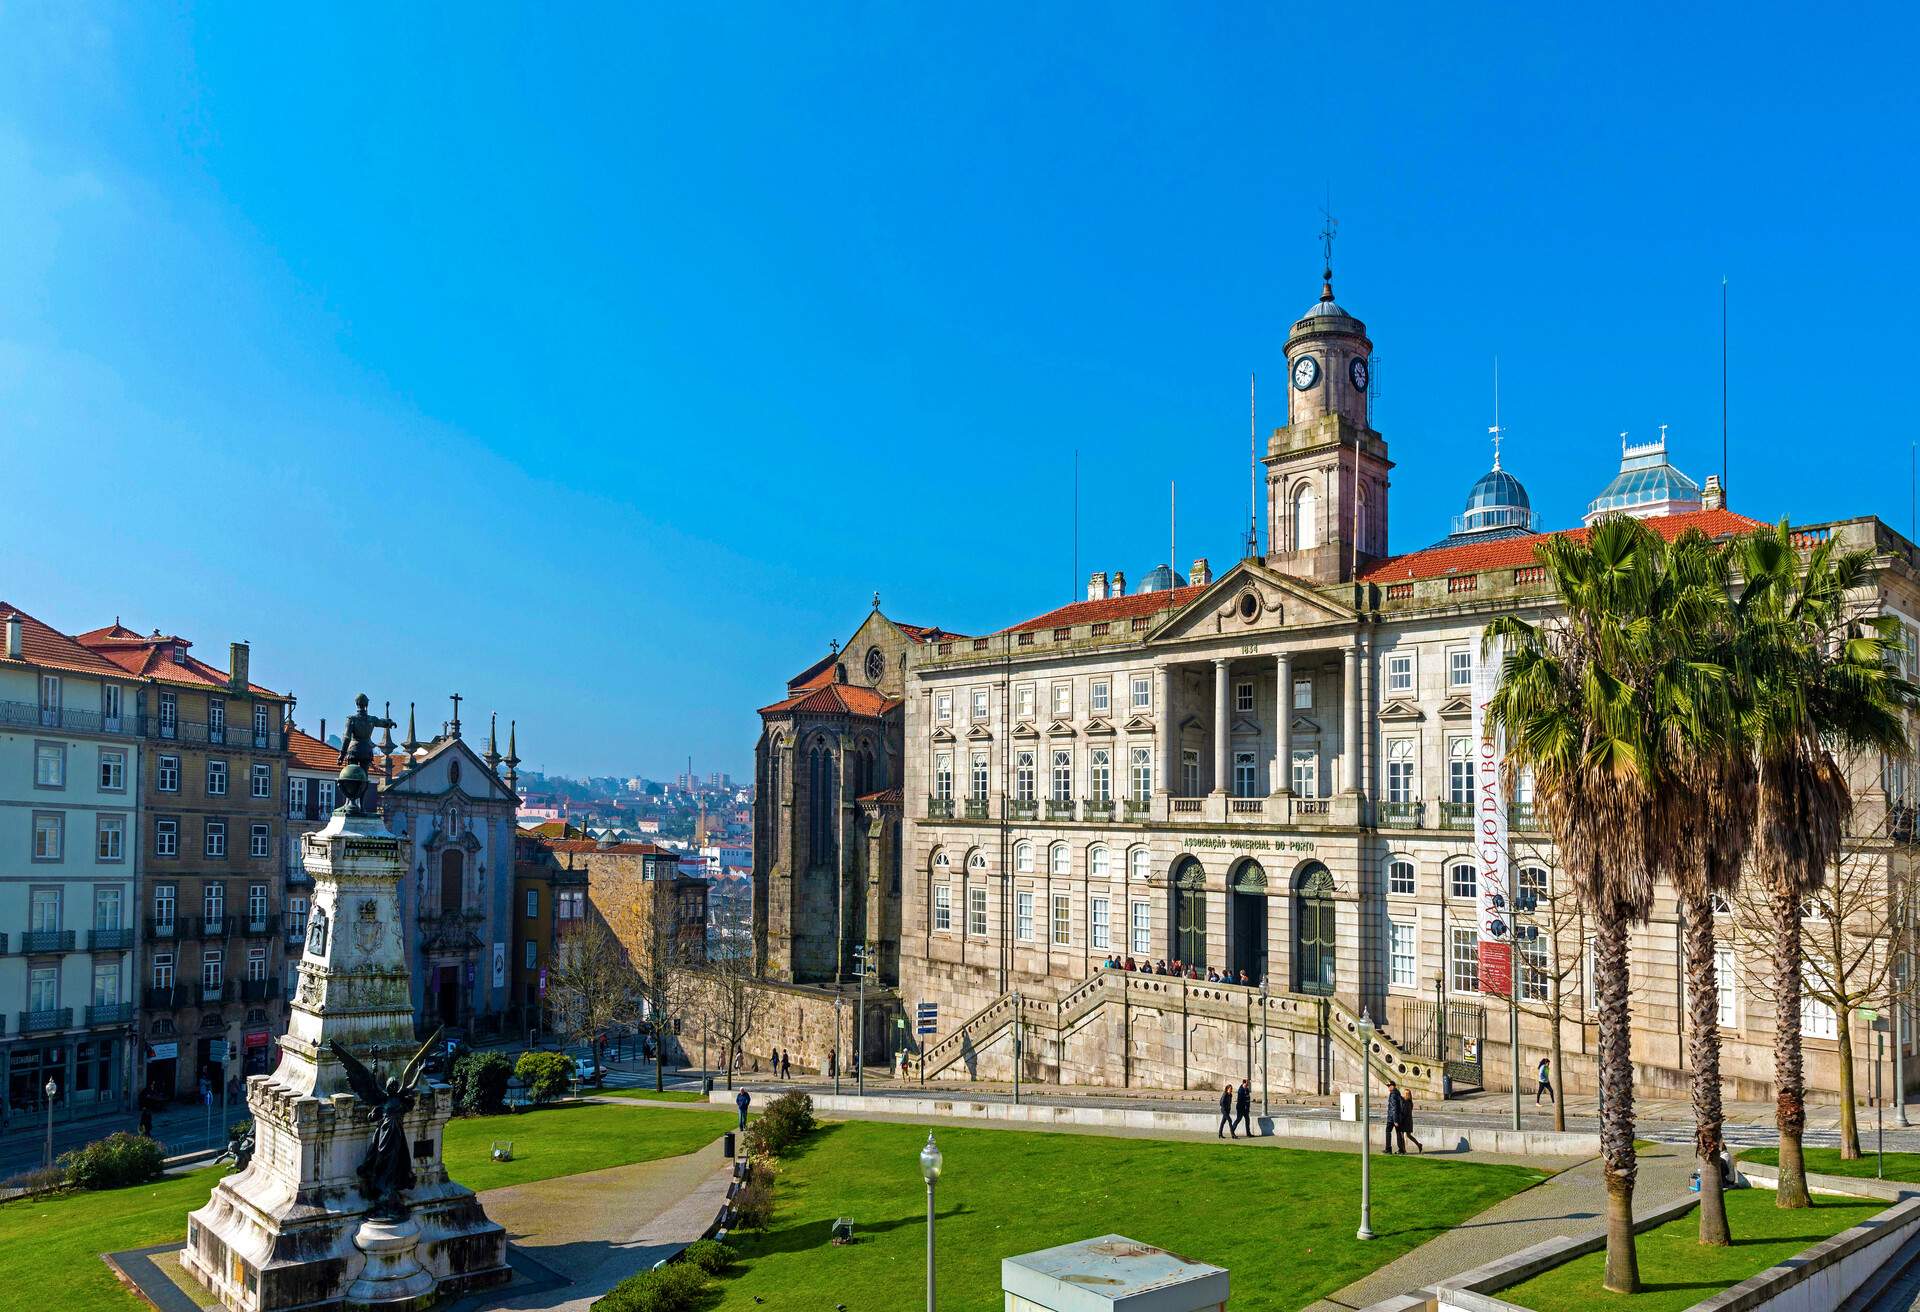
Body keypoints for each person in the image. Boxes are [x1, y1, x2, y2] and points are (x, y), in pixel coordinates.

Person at [1383, 1080, 1406, 1154]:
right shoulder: (1397, 1093)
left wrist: (1395, 1120)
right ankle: (1401, 1149)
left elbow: (1394, 1108)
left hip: (1392, 1118)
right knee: (1398, 1133)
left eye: (1389, 1086)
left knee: (1388, 1131)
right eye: (1388, 1086)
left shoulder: (1393, 1095)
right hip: (1397, 1117)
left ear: (1393, 1086)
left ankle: (1388, 1148)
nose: (1388, 1088)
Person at [1400, 1088, 1424, 1153]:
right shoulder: (1409, 1102)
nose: (1403, 1094)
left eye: (1405, 1093)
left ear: (1406, 1094)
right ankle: (1418, 1145)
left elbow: (1404, 1112)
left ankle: (1404, 1150)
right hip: (1409, 1120)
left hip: (1405, 1120)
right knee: (1408, 1135)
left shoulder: (1406, 1102)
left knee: (1402, 1135)